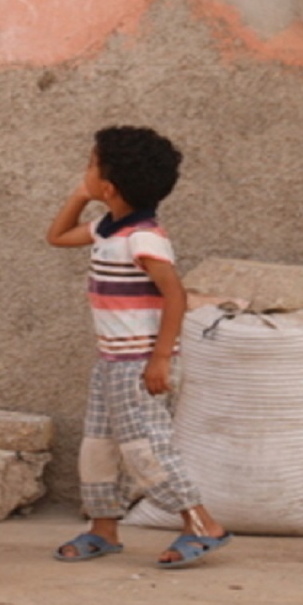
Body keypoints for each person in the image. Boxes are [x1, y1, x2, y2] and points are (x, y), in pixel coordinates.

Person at [45, 126, 232, 569]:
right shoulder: (107, 229)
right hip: (111, 362)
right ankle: (103, 528)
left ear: (109, 187)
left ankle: (202, 524)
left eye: (90, 167)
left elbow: (175, 295)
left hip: (140, 363)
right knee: (100, 447)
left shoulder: (143, 238)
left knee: (146, 448)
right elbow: (57, 236)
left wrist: (161, 358)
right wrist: (81, 194)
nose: (84, 172)